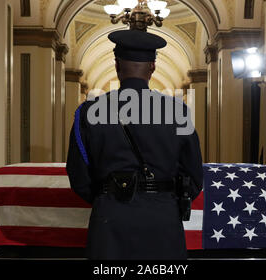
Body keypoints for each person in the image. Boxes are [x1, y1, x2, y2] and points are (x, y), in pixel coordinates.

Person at [66, 29, 203, 260]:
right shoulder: (177, 112)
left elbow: (79, 176)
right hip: (163, 221)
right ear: (152, 68)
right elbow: (194, 175)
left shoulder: (88, 112)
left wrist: (107, 196)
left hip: (110, 221)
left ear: (117, 65)